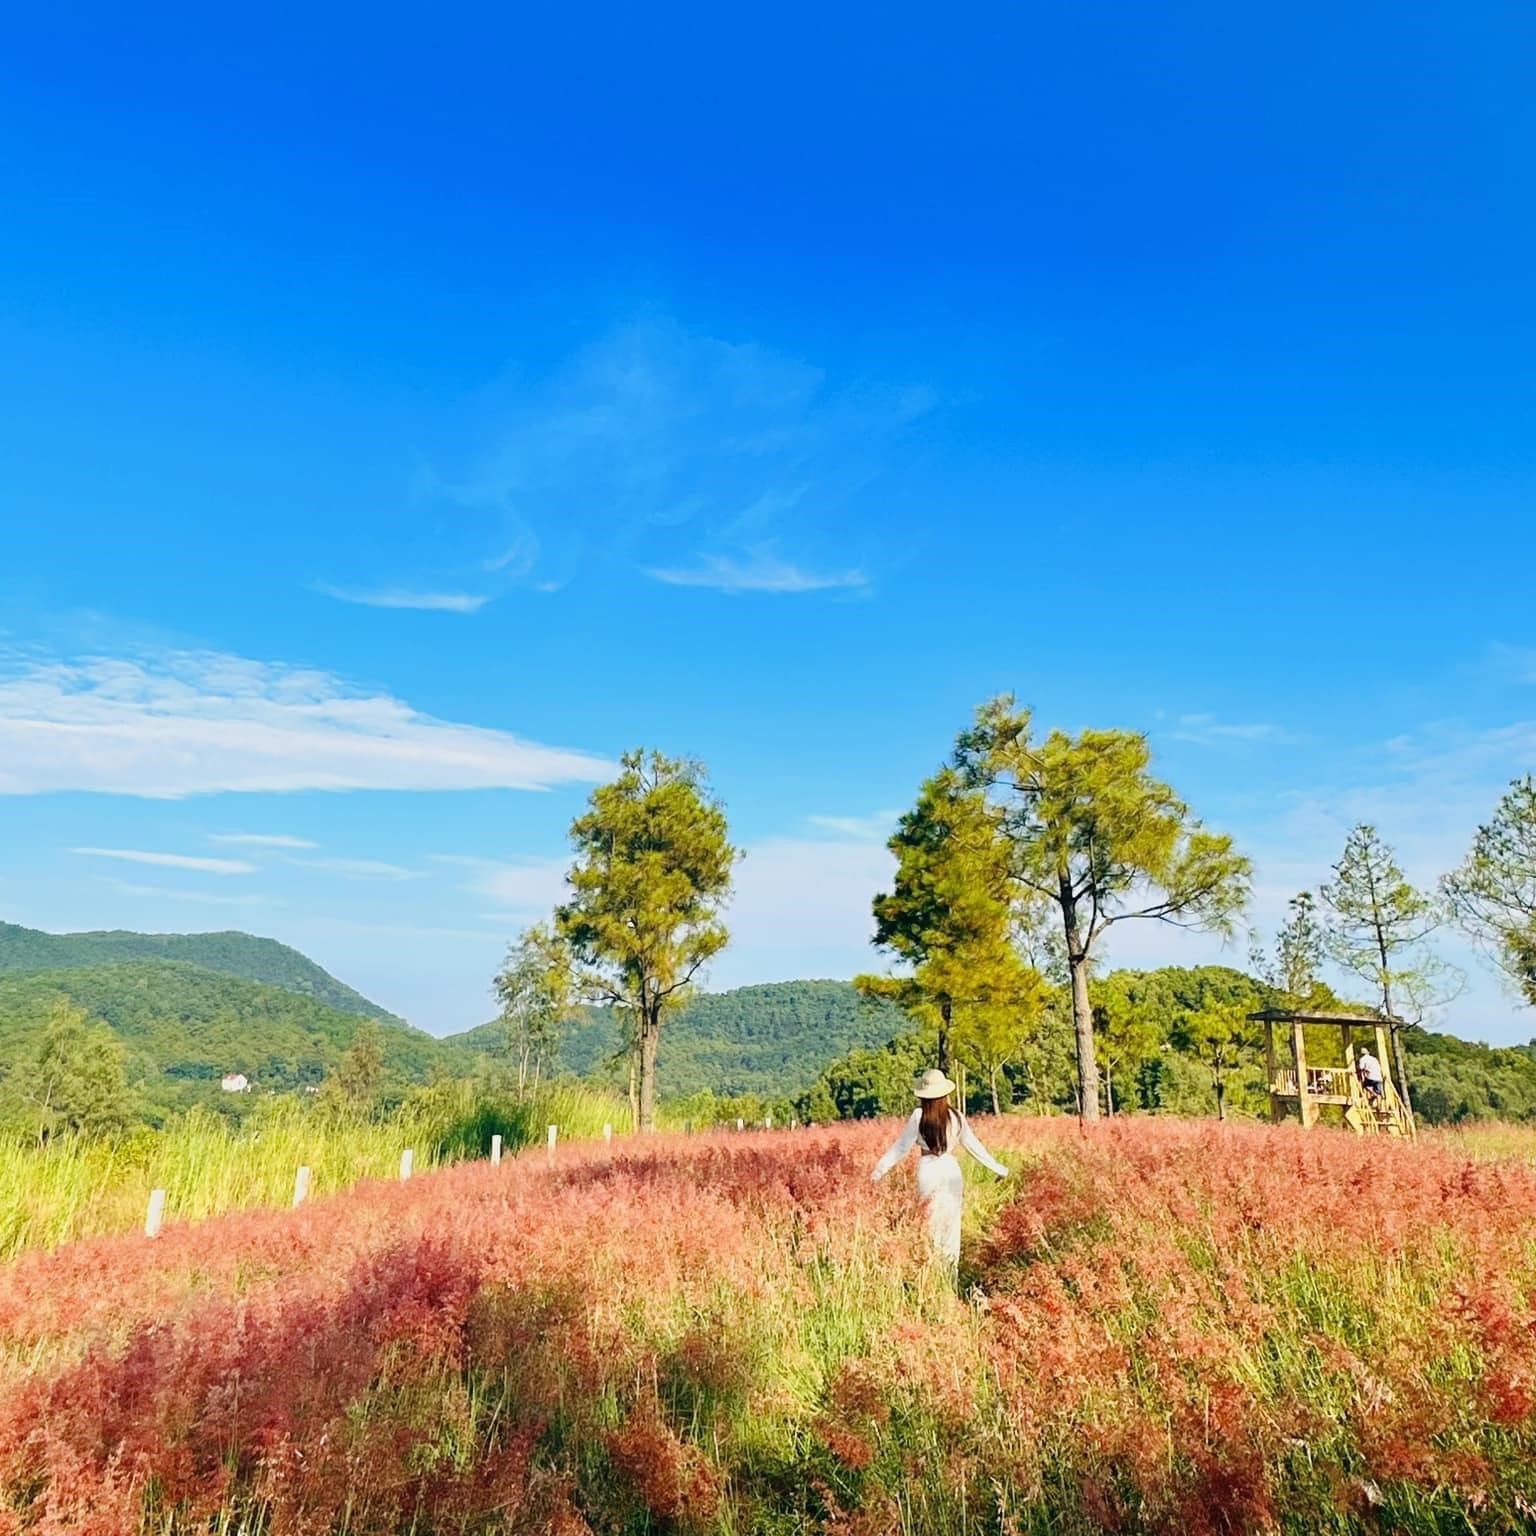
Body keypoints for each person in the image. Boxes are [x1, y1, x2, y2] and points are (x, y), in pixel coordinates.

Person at [870, 1068, 1009, 1267]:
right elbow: (973, 1146)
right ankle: (950, 1277)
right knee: (952, 1228)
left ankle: (934, 1276)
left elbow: (901, 1147)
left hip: (928, 1170)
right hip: (951, 1170)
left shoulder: (919, 1115)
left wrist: (878, 1172)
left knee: (931, 1224)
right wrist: (998, 1169)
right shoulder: (957, 1117)